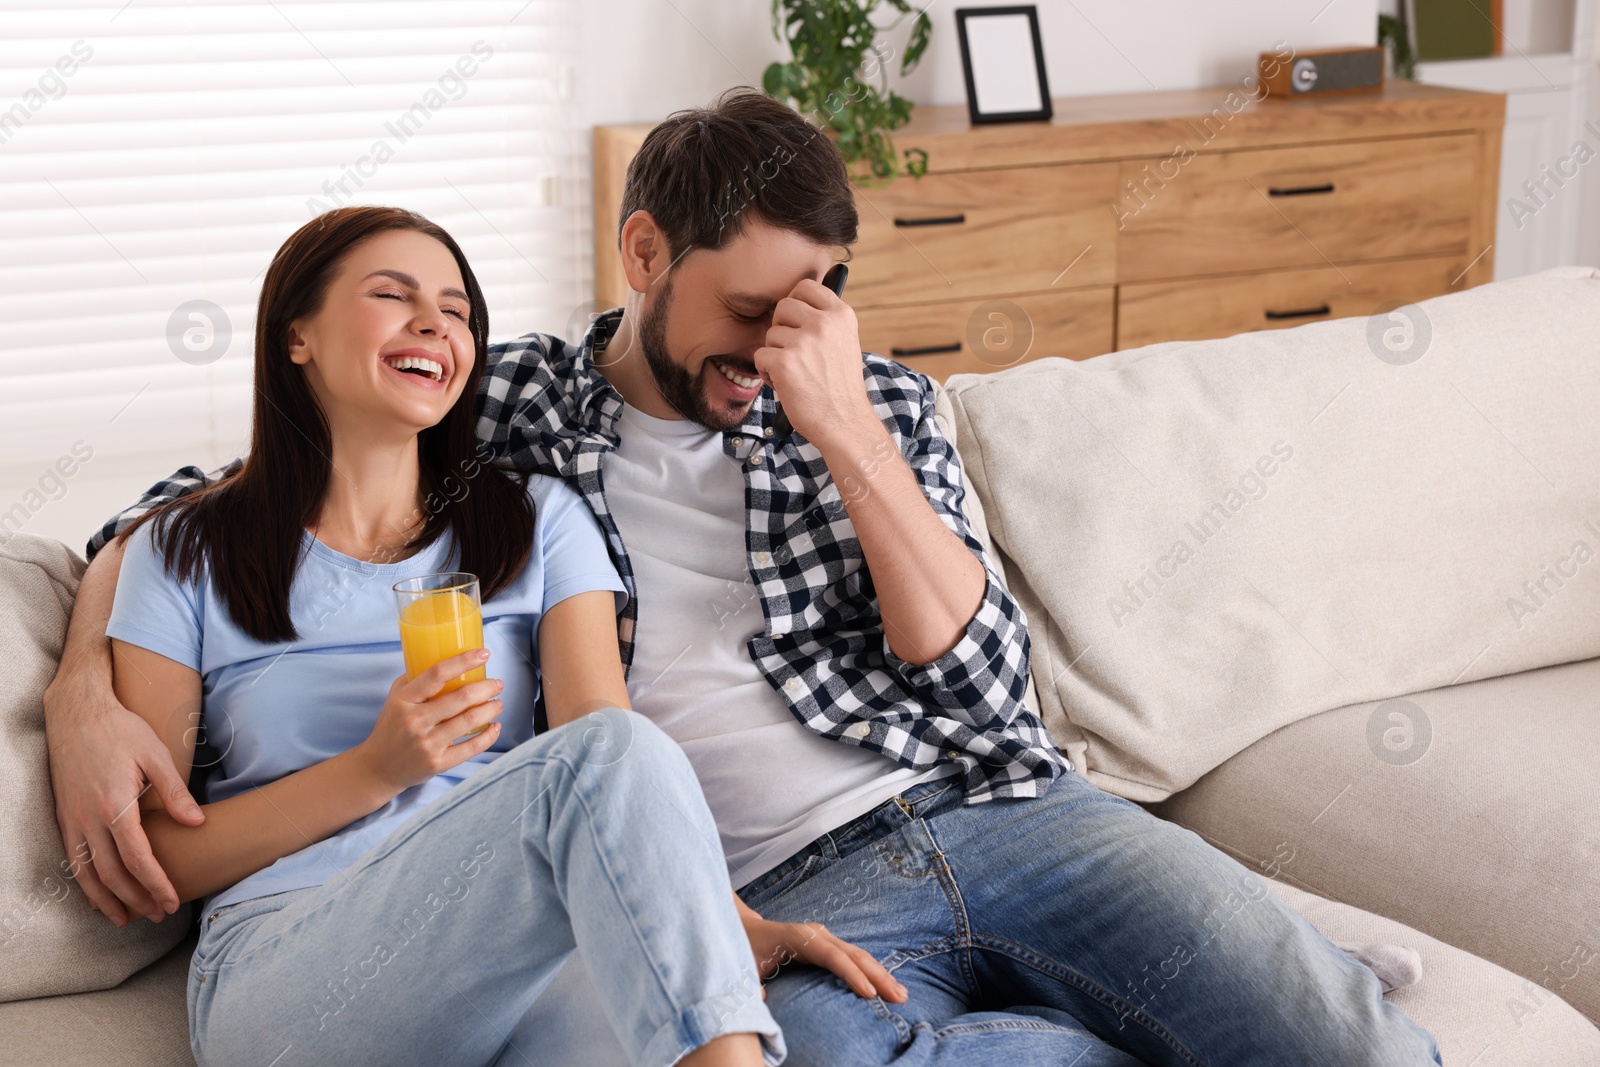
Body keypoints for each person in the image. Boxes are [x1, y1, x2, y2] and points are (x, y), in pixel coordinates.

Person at [49, 92, 1440, 1065]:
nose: (777, 342)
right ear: (644, 253)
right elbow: (234, 496)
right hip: (773, 880)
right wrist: (79, 691)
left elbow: (981, 683)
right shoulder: (517, 416)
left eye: (815, 296)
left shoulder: (868, 399)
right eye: (747, 308)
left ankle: (1261, 992)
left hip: (995, 808)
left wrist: (843, 430)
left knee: (1345, 1038)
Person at [90, 205, 815, 1067]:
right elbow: (157, 858)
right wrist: (377, 768)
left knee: (697, 1021)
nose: (435, 321)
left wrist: (738, 928)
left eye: (458, 311)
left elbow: (618, 766)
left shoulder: (540, 521)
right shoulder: (186, 551)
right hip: (293, 966)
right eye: (393, 295)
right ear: (297, 337)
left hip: (515, 956)